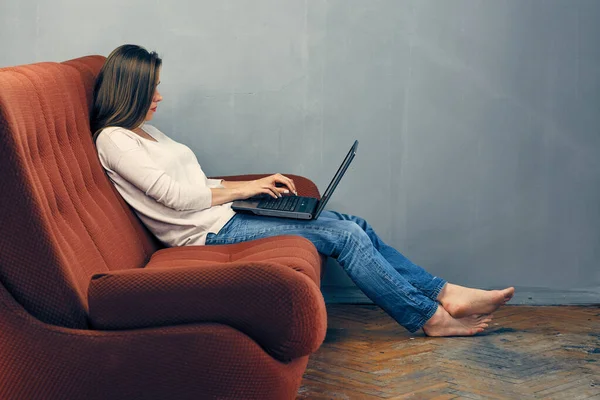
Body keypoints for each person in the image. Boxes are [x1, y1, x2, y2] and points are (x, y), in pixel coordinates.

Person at [92, 44, 514, 337]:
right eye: (153, 89)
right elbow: (176, 198)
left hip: (226, 216)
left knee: (353, 222)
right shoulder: (114, 139)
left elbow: (198, 183)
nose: (160, 97)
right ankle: (428, 317)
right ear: (131, 89)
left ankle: (447, 293)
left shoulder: (145, 133)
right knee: (343, 236)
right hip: (204, 234)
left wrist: (253, 188)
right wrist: (250, 188)